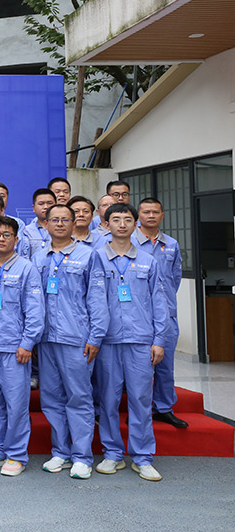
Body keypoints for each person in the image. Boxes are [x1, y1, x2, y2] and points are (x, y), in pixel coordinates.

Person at [93, 203, 168, 482]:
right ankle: (112, 453)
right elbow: (90, 302)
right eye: (116, 219)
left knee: (140, 398)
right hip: (107, 341)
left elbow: (159, 302)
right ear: (106, 224)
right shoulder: (96, 258)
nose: (122, 224)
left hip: (140, 340)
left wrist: (159, 339)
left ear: (136, 224)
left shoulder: (149, 261)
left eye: (127, 219)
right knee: (108, 399)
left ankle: (142, 457)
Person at [33, 204, 107, 480]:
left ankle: (82, 456)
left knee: (79, 397)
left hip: (77, 339)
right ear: (46, 224)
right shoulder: (38, 257)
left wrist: (95, 336)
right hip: (46, 339)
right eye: (55, 219)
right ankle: (60, 452)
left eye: (65, 219)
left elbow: (97, 300)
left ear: (74, 223)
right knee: (51, 398)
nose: (60, 224)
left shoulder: (88, 255)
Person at [0, 216, 44, 477]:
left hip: (15, 349)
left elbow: (35, 310)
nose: (1, 239)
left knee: (16, 404)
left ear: (16, 239)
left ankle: (16, 454)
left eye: (6, 234)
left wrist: (27, 342)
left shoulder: (26, 269)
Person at [134, 197, 187, 429]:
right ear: (139, 216)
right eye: (146, 212)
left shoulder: (171, 244)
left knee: (165, 365)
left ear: (162, 216)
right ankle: (140, 411)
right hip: (138, 315)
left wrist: (164, 303)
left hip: (166, 314)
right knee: (141, 368)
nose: (151, 216)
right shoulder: (129, 242)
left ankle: (164, 408)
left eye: (155, 212)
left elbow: (175, 278)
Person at [21, 188, 57, 258]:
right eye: (41, 204)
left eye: (50, 203)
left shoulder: (63, 228)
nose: (46, 207)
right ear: (33, 208)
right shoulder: (26, 231)